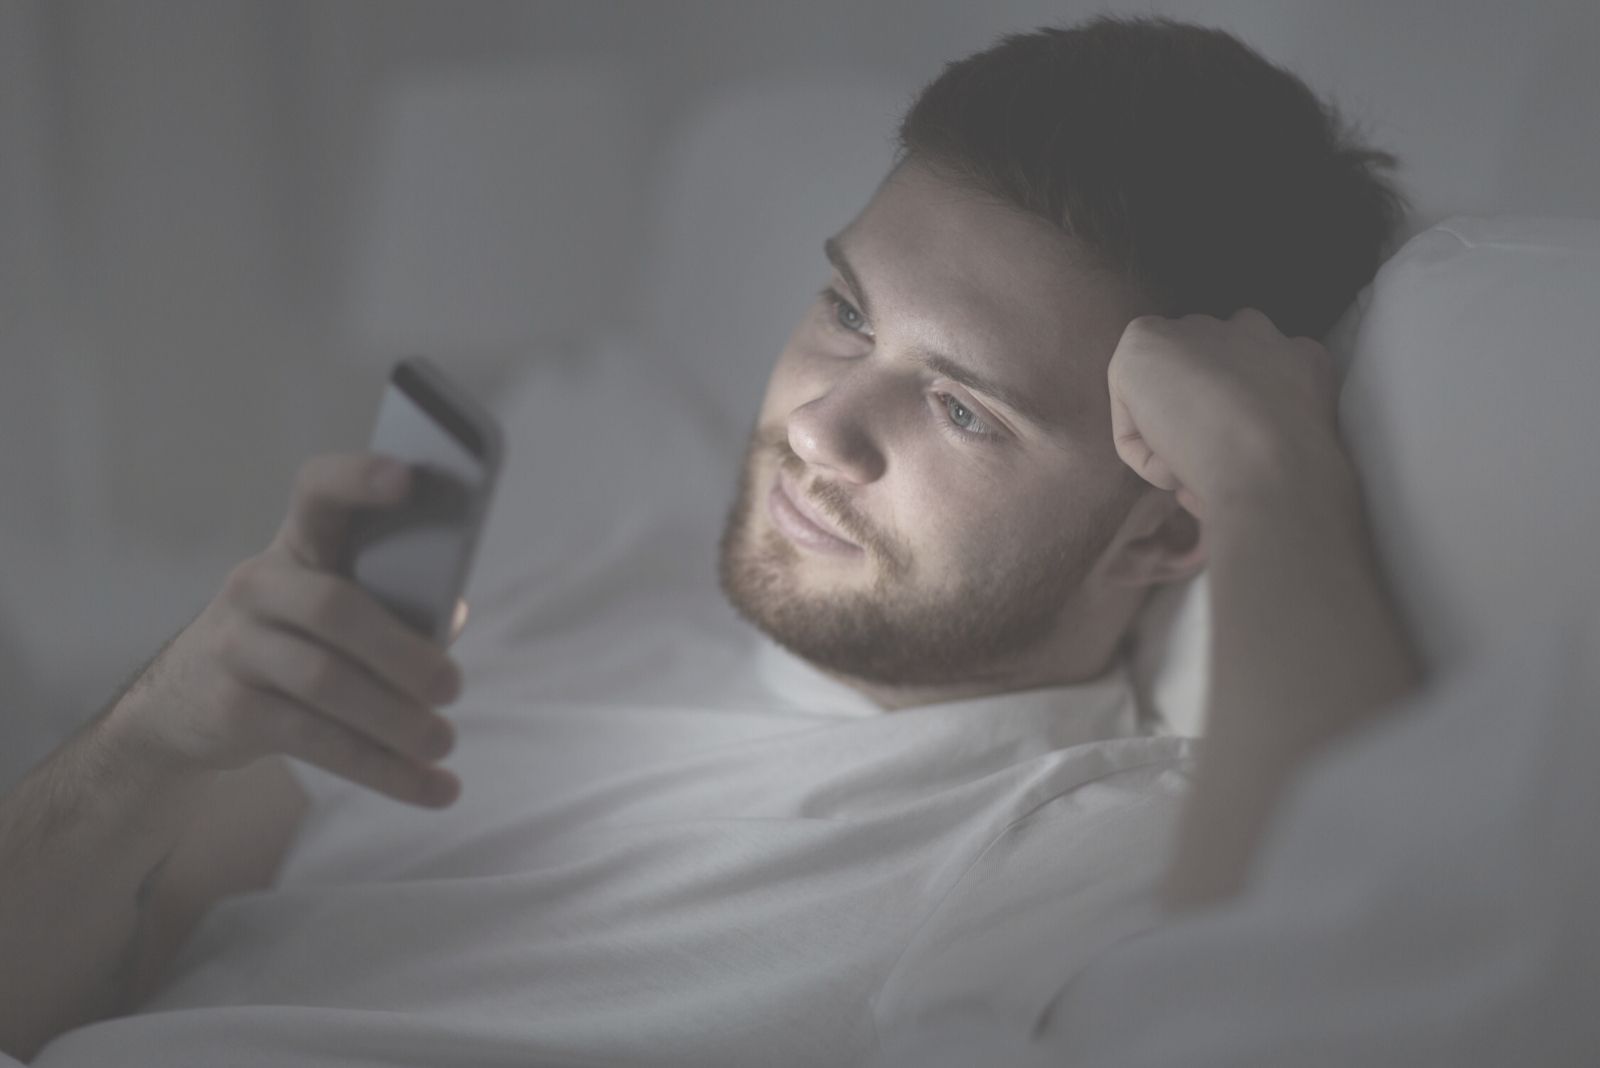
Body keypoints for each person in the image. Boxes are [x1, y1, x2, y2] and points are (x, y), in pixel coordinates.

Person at [0, 14, 1415, 1066]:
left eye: (961, 410)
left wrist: (1267, 468)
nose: (819, 426)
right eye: (849, 314)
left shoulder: (1066, 839)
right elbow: (118, 955)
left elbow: (1304, 993)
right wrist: (154, 739)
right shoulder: (598, 584)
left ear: (1167, 527)